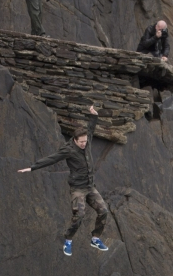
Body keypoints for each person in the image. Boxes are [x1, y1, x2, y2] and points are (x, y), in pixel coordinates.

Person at [18, 106, 109, 257]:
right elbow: (51, 158)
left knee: (103, 211)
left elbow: (91, 128)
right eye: (81, 142)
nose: (84, 144)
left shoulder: (87, 140)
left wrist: (94, 116)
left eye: (85, 141)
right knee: (79, 215)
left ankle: (95, 238)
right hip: (78, 189)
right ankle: (68, 239)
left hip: (90, 186)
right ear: (75, 140)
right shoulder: (68, 149)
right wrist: (32, 168)